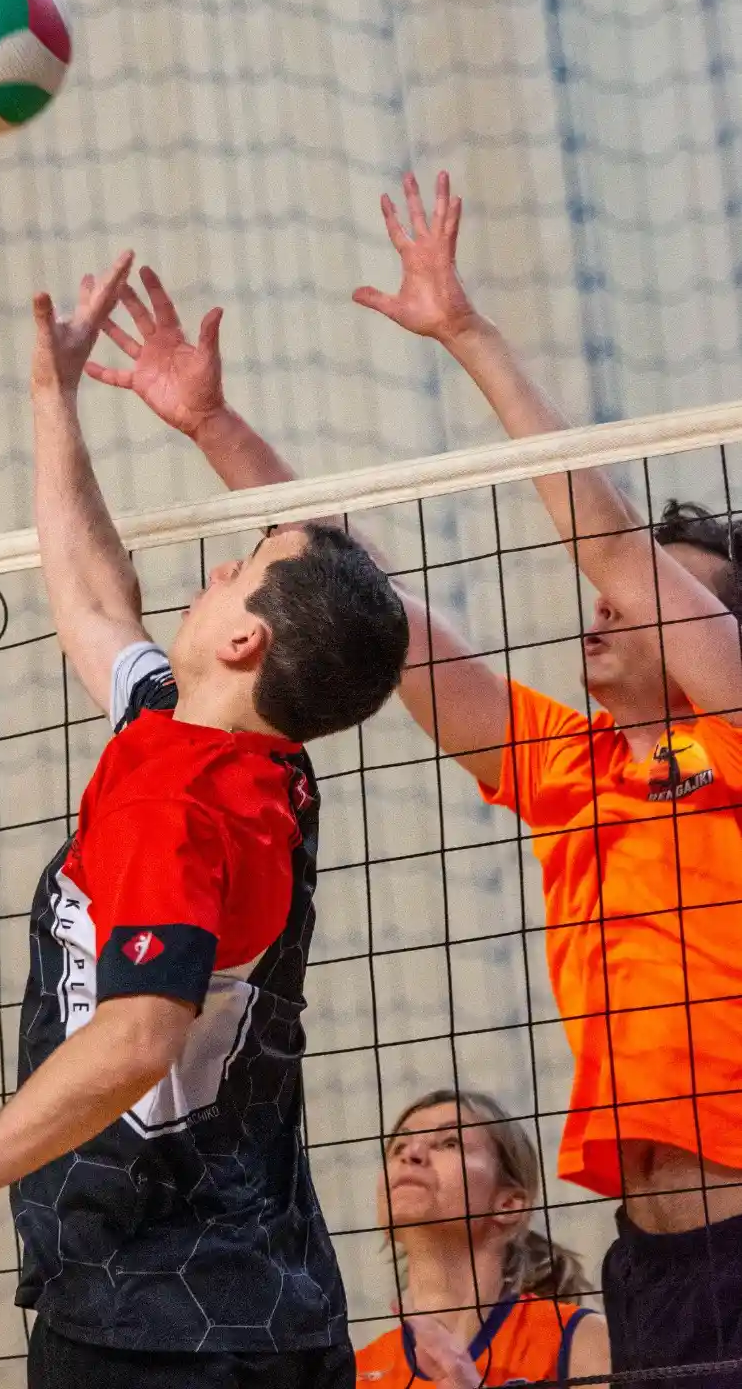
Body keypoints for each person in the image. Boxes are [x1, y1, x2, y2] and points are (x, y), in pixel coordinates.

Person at [88, 203, 742, 1386]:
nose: (609, 604)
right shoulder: (568, 764)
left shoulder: (734, 741)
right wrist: (214, 425)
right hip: (652, 1257)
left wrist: (467, 333)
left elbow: (607, 548)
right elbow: (370, 607)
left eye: (662, 594)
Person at [0, 250, 411, 1389]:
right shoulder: (233, 749)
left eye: (243, 566)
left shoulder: (181, 808)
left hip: (154, 1322)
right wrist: (52, 397)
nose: (221, 562)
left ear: (245, 640)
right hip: (275, 1304)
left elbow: (136, 1038)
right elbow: (89, 593)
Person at [354, 1089, 608, 1387]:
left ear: (509, 1204)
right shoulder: (359, 1372)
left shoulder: (578, 1338)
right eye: (399, 1146)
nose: (411, 1154)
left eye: (450, 1142)